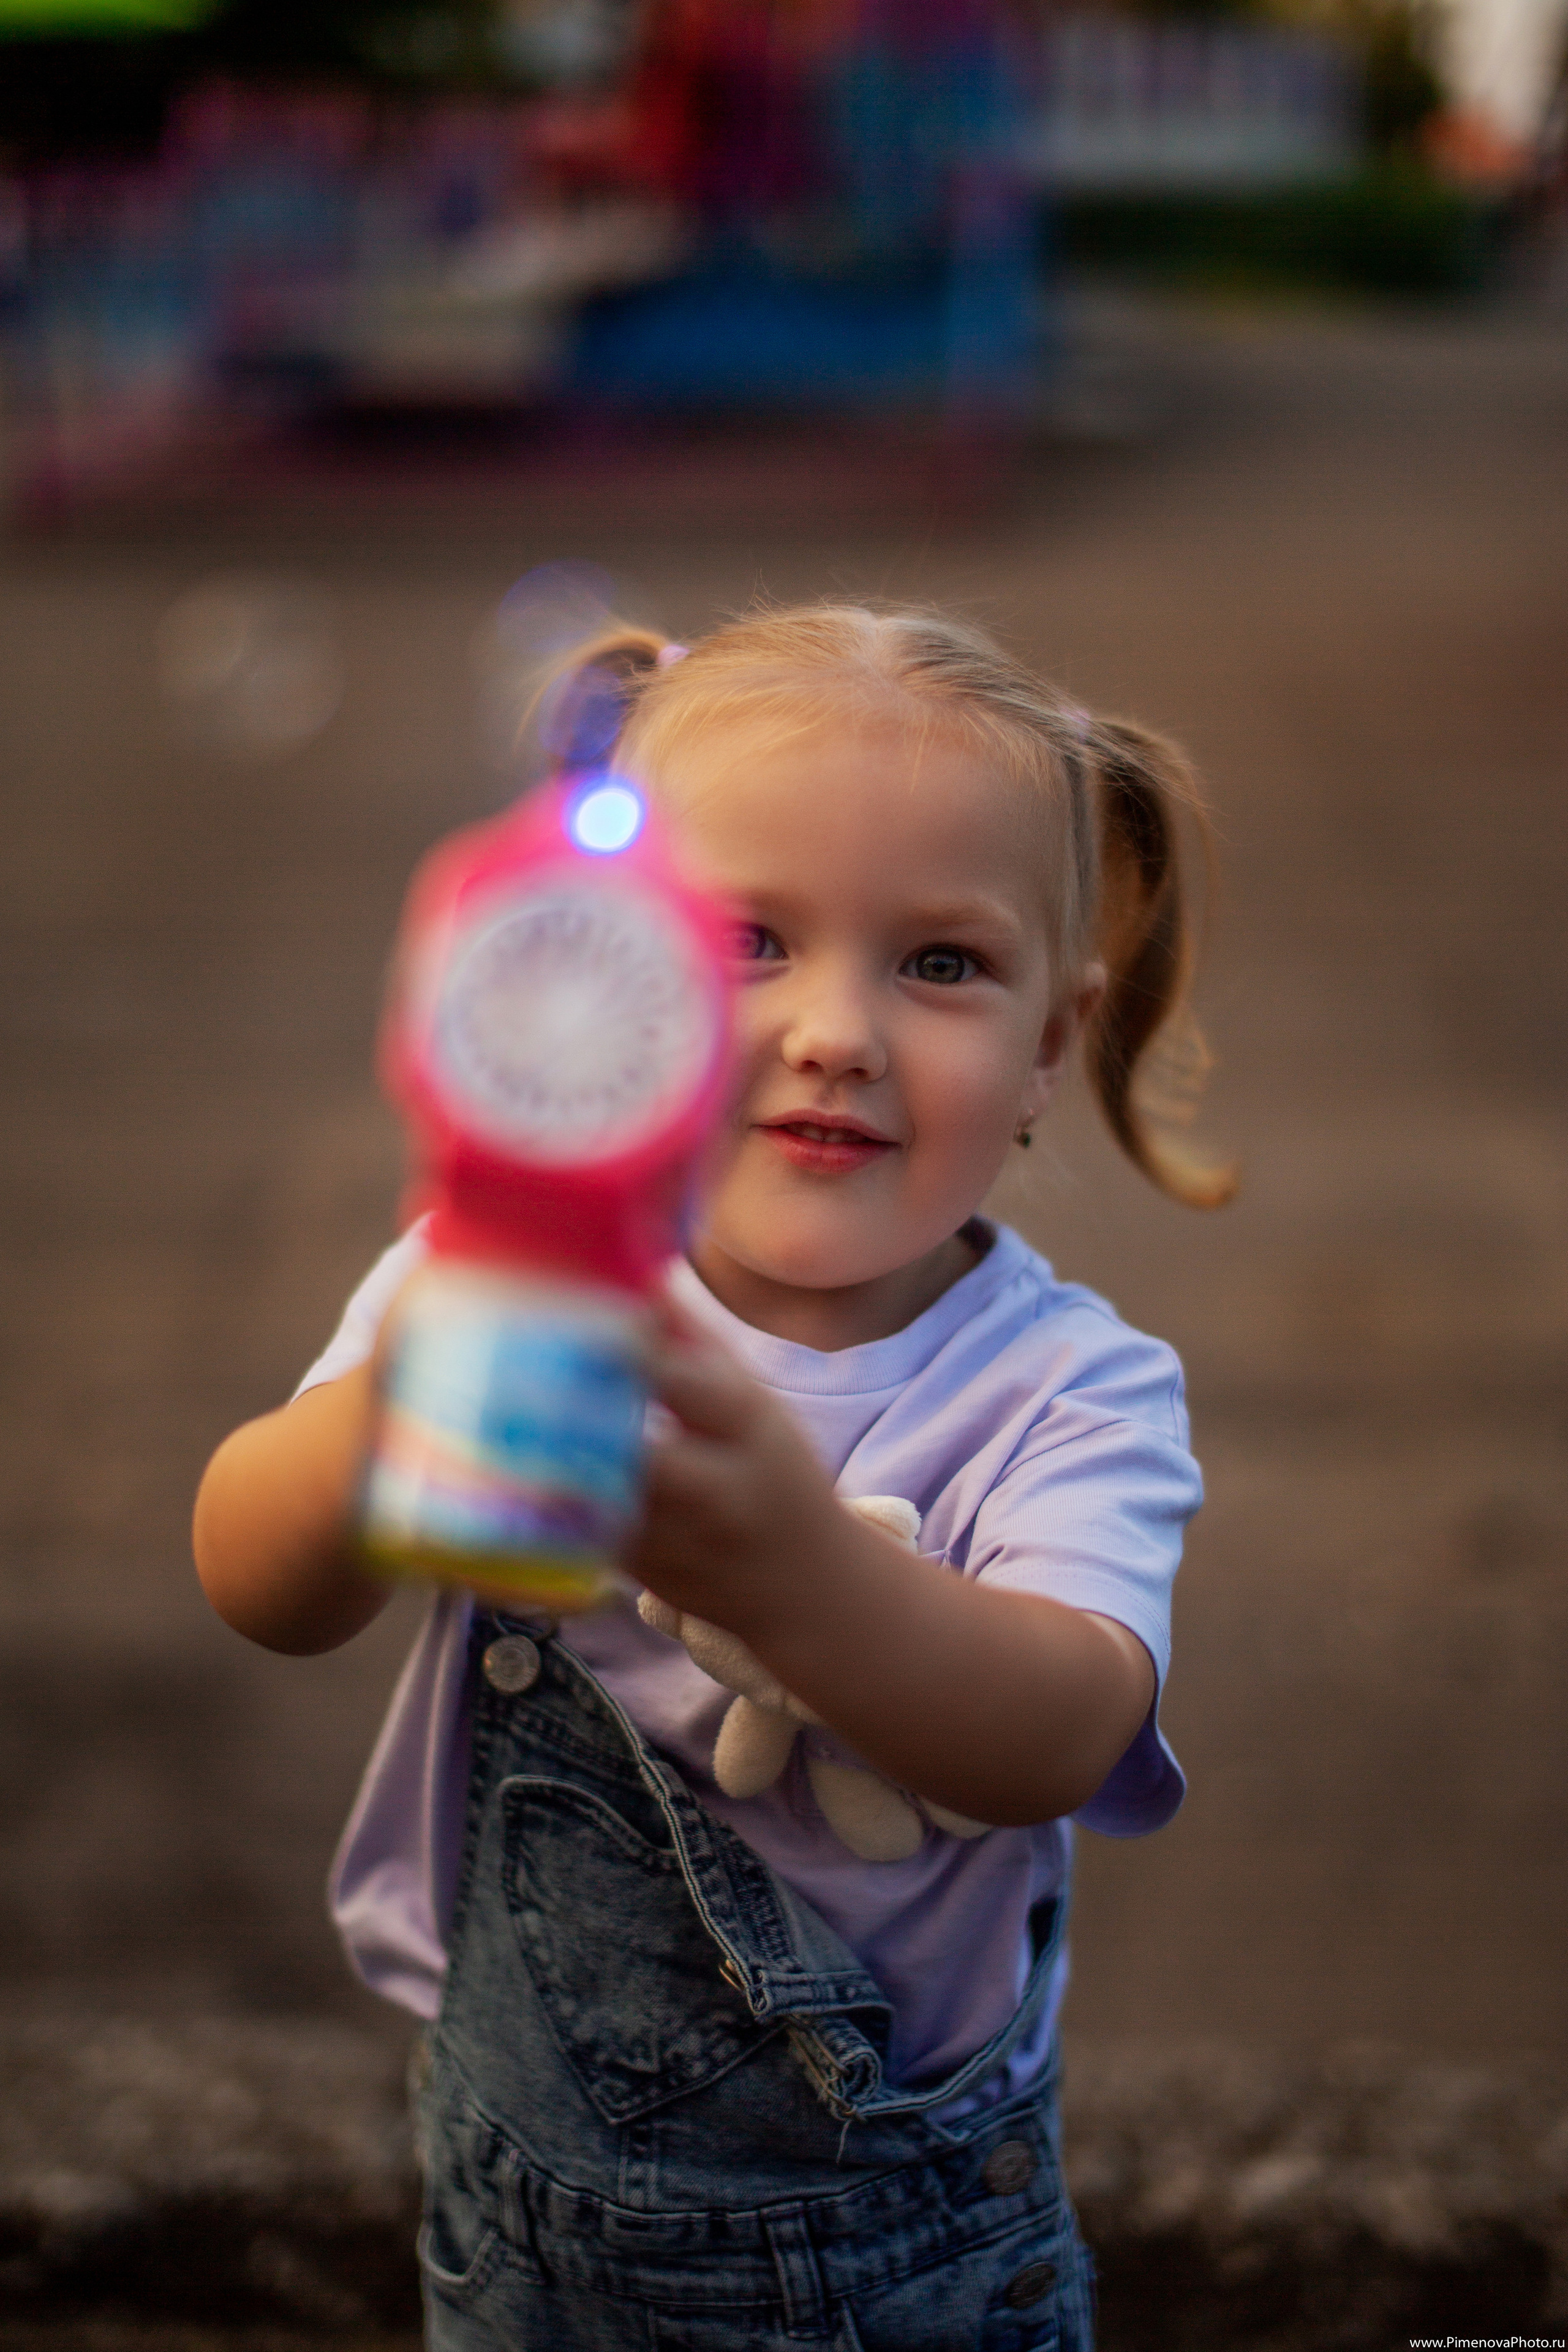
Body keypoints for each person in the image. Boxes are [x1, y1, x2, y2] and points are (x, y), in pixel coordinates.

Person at [194, 601, 1232, 2351]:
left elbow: (1063, 1728)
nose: (839, 1029)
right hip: (527, 2244)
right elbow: (258, 1579)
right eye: (749, 940)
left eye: (943, 965)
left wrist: (792, 1573)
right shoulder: (498, 1277)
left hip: (918, 2268)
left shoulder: (1071, 1389)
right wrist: (386, 1418)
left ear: (1057, 1040)